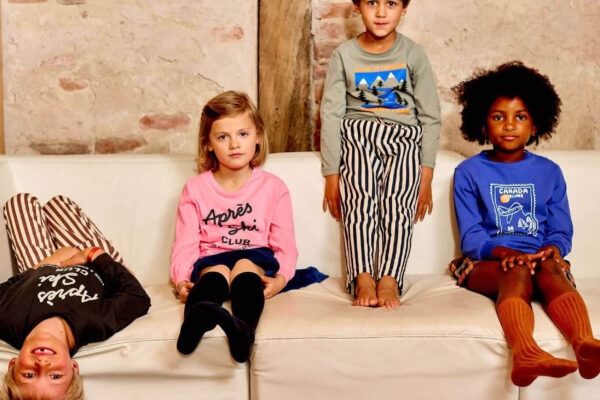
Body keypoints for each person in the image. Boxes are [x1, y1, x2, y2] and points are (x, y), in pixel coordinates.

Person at [449, 61, 600, 387]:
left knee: (552, 267)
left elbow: (561, 230)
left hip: (539, 261)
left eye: (520, 117)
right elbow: (471, 237)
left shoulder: (549, 172)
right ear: (483, 124)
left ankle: (584, 343)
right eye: (498, 117)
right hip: (487, 263)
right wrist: (504, 253)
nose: (509, 125)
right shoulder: (469, 172)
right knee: (516, 270)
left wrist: (553, 249)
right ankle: (525, 353)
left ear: (535, 125)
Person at [320, 0, 441, 308]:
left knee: (398, 207)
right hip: (358, 135)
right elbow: (331, 115)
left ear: (404, 8)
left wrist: (426, 175)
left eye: (391, 3)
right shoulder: (344, 55)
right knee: (359, 202)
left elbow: (430, 116)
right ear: (357, 7)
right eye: (372, 2)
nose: (381, 12)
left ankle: (389, 279)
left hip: (404, 139)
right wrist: (331, 174)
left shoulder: (413, 54)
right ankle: (362, 276)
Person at [170, 91, 298, 363]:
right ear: (208, 144)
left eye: (243, 134)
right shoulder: (195, 188)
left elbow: (285, 243)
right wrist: (181, 280)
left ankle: (243, 332)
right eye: (223, 137)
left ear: (257, 136)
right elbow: (185, 242)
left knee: (245, 269)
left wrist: (281, 278)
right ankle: (193, 325)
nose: (234, 144)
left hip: (255, 256)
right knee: (214, 274)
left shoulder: (273, 187)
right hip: (212, 257)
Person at [0, 194, 151, 399]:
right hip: (96, 264)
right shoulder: (95, 322)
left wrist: (42, 266)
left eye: (29, 375)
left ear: (12, 365)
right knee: (59, 204)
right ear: (74, 368)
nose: (42, 364)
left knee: (19, 203)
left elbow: (6, 288)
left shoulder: (7, 321)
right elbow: (137, 297)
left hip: (41, 267)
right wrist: (91, 254)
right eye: (55, 376)